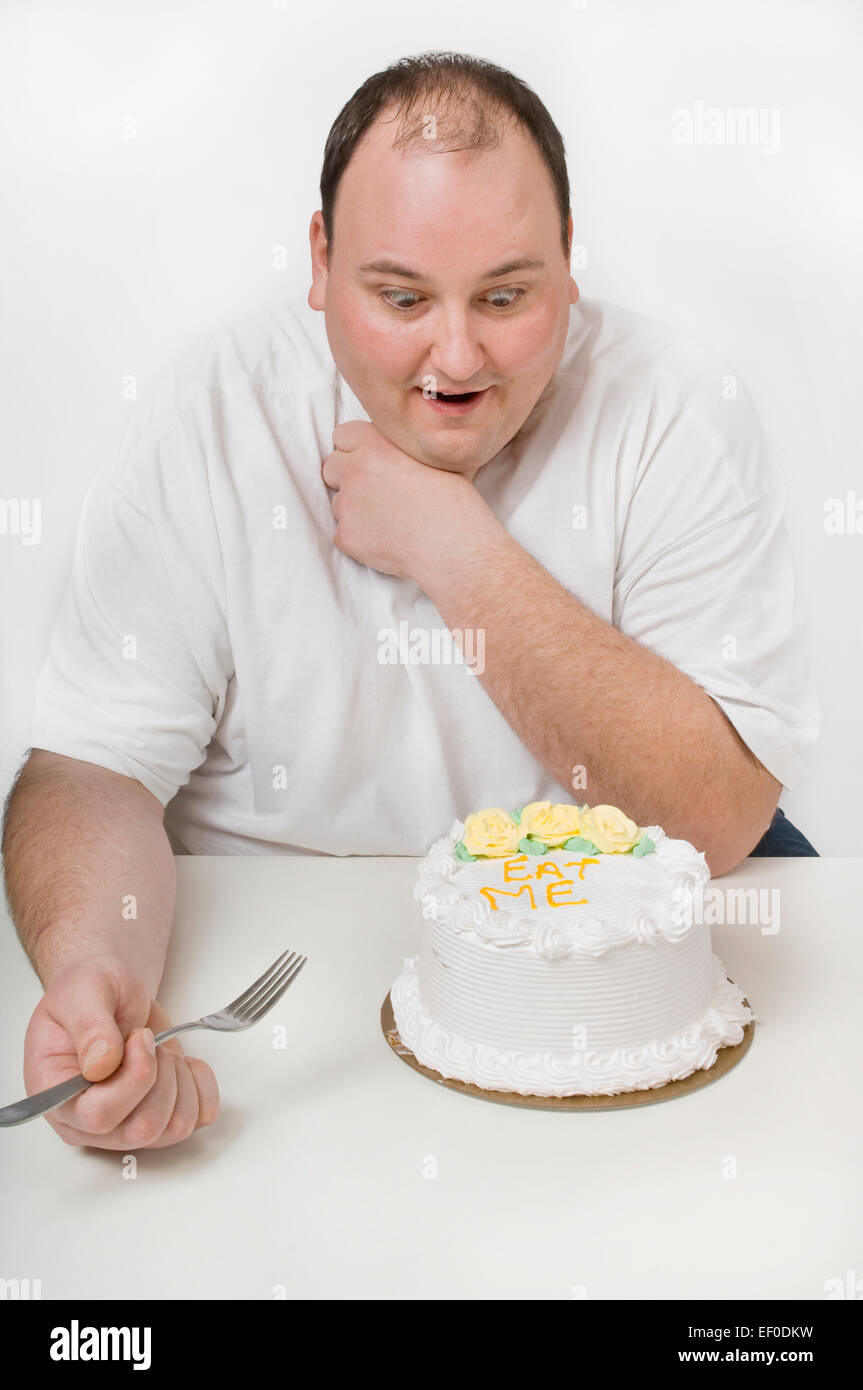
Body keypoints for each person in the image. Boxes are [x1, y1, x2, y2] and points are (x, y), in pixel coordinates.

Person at [1, 52, 820, 1151]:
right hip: (269, 987)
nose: (454, 357)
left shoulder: (672, 411)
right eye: (398, 297)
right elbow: (91, 766)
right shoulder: (209, 414)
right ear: (319, 260)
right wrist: (95, 967)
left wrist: (454, 545)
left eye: (505, 295)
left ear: (568, 263)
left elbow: (716, 817)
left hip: (584, 1009)